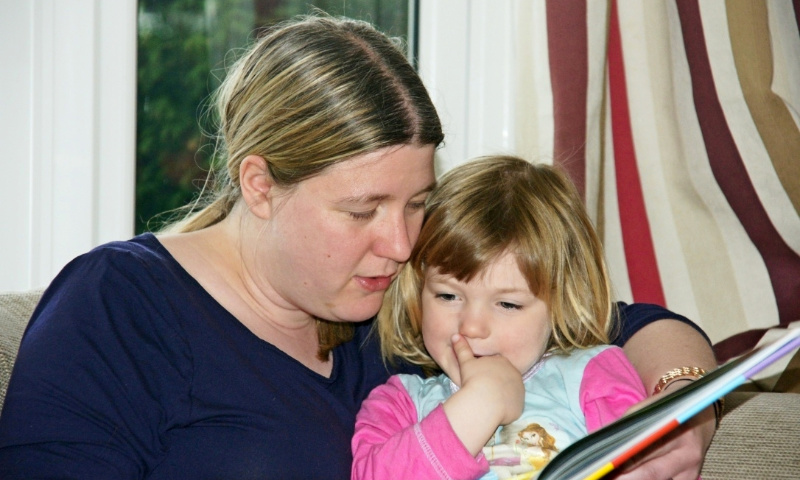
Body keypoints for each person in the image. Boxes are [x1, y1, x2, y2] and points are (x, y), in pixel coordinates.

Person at [0, 14, 716, 480]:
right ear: (259, 184)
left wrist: (683, 404)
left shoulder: (399, 312)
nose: (402, 243)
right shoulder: (121, 305)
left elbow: (618, 324)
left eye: (417, 204)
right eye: (361, 210)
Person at [351, 156, 649, 480]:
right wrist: (480, 404)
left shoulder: (592, 378)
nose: (472, 327)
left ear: (561, 303)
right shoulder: (399, 404)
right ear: (418, 292)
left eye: (507, 304)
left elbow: (656, 466)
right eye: (448, 296)